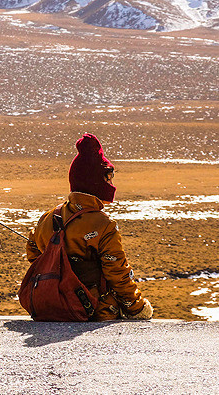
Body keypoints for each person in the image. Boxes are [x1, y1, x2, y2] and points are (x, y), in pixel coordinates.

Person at [25, 133, 153, 320]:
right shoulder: (103, 225)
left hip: (51, 308)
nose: (111, 183)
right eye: (107, 177)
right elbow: (118, 274)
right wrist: (137, 308)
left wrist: (58, 279)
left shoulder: (48, 217)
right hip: (94, 312)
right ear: (94, 181)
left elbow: (33, 251)